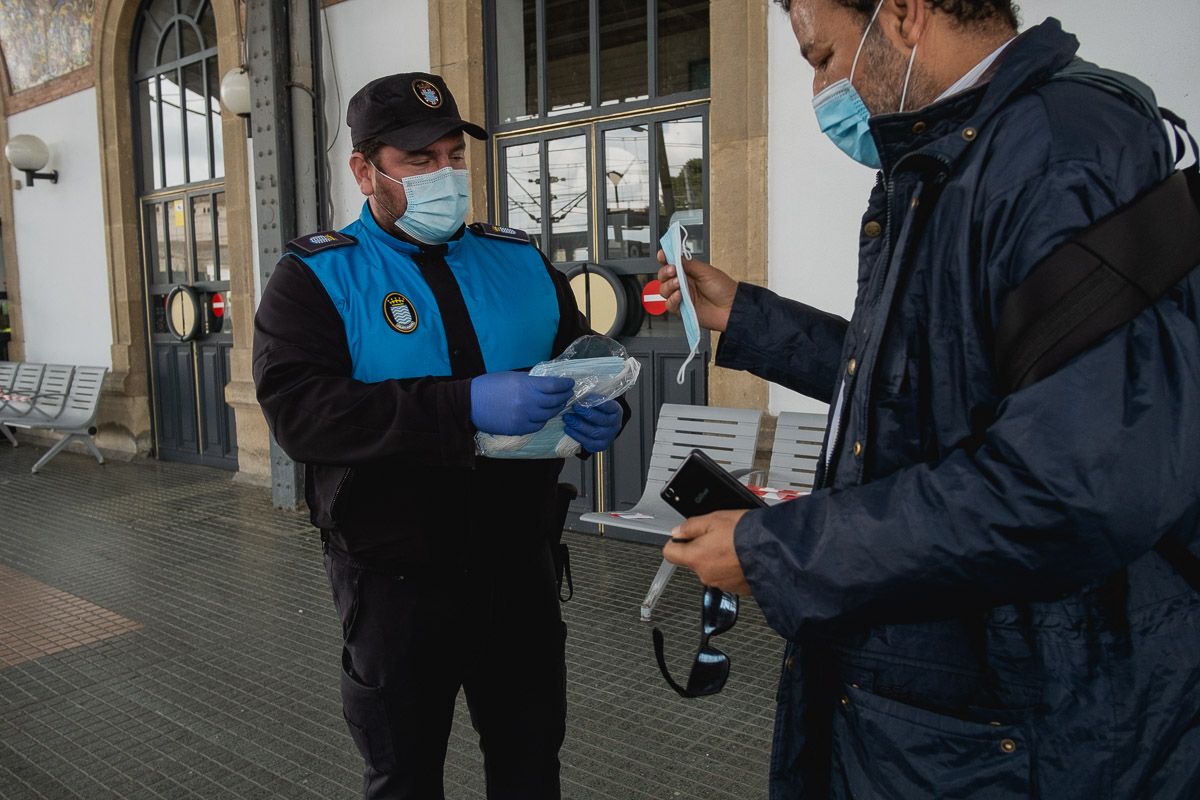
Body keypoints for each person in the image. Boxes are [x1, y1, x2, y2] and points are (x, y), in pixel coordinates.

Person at [657, 2, 1200, 798]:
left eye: (822, 56)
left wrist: (777, 551)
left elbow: (1066, 488)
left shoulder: (1055, 154)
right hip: (943, 710)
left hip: (1022, 723)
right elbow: (935, 373)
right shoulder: (959, 151)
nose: (822, 89)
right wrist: (751, 320)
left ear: (905, 15)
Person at [252, 72, 626, 800]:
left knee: (528, 761)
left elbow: (583, 359)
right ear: (365, 170)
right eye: (419, 160)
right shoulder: (317, 276)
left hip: (518, 566)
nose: (445, 176)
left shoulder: (518, 261)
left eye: (454, 155)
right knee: (403, 774)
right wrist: (462, 407)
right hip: (394, 580)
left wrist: (605, 413)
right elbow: (302, 412)